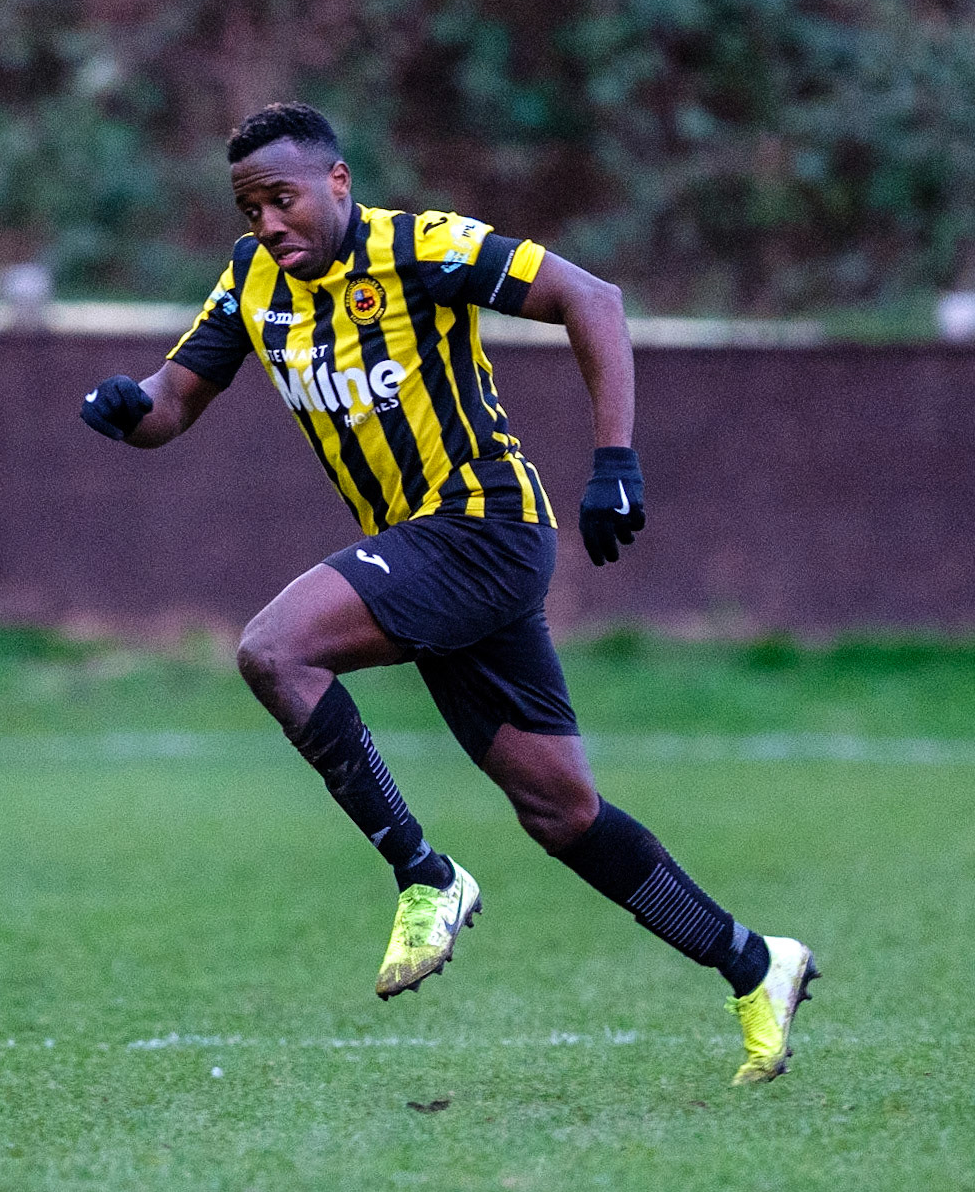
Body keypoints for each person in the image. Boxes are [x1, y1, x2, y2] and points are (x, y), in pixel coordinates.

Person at [79, 102, 816, 1086]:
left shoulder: (420, 247)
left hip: (482, 524)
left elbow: (590, 297)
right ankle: (755, 963)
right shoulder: (251, 280)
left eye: (283, 199)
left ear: (337, 182)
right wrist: (129, 408)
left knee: (275, 649)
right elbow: (172, 401)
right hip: (428, 553)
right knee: (559, 812)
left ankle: (424, 873)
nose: (268, 222)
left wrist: (613, 459)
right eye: (250, 207)